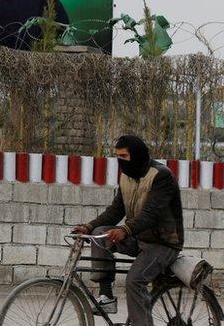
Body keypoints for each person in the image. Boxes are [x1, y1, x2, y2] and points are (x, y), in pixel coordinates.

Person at [71, 135, 184, 326]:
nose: (120, 161)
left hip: (163, 243)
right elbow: (115, 211)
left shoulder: (161, 176)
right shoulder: (126, 177)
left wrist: (125, 229)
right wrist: (89, 227)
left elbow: (151, 214)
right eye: (117, 156)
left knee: (135, 281)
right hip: (138, 237)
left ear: (137, 154)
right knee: (101, 234)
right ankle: (106, 297)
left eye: (124, 156)